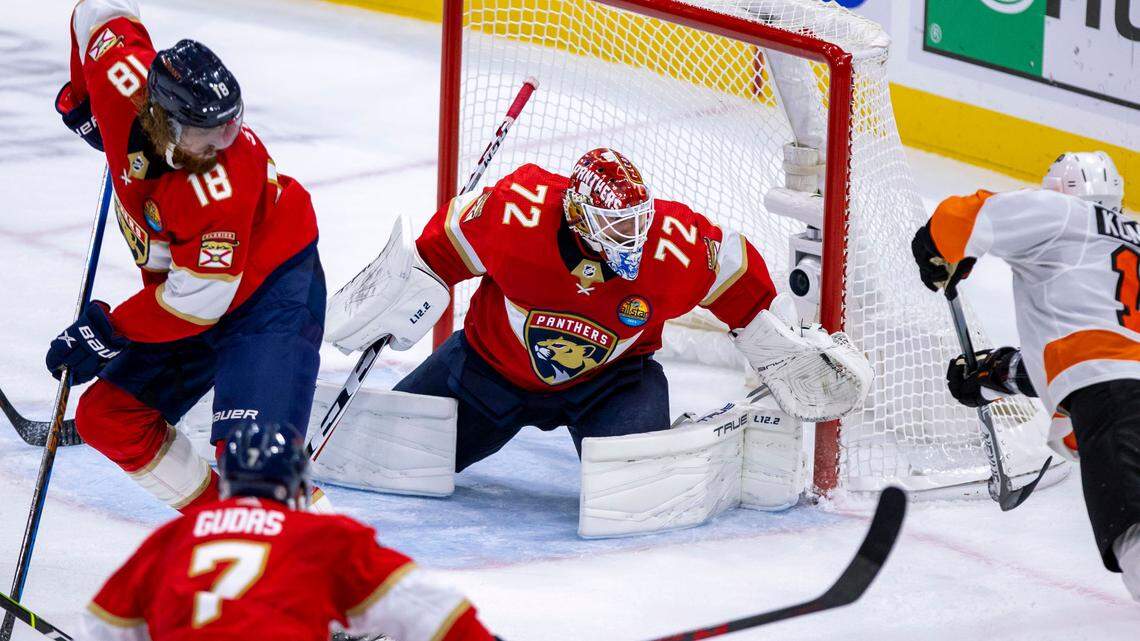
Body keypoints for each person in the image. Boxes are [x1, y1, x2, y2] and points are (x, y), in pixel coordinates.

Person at [324, 148, 872, 476]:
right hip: (488, 370)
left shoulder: (671, 246)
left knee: (638, 486)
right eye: (615, 227)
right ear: (577, 217)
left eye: (636, 221)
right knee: (385, 457)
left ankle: (661, 437)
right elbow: (440, 249)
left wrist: (770, 341)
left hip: (610, 383)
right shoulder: (518, 213)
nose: (632, 236)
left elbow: (734, 278)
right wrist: (405, 288)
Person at [48, 0, 326, 512]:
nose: (229, 138)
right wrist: (84, 96)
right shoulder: (121, 75)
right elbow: (97, 11)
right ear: (162, 118)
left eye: (230, 123)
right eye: (210, 128)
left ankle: (318, 568)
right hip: (190, 293)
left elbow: (195, 306)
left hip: (270, 296)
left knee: (257, 470)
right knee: (108, 416)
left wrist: (107, 331)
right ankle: (223, 526)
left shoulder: (220, 185)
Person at [910, 151, 1140, 600]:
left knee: (1133, 529)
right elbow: (1096, 344)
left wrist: (937, 250)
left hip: (1114, 405)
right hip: (1115, 396)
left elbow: (970, 213)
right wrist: (1001, 374)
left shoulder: (1061, 212)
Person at [80, 423, 499, 641]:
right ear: (298, 486)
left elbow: (106, 622)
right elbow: (432, 611)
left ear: (226, 484)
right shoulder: (324, 537)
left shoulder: (177, 537)